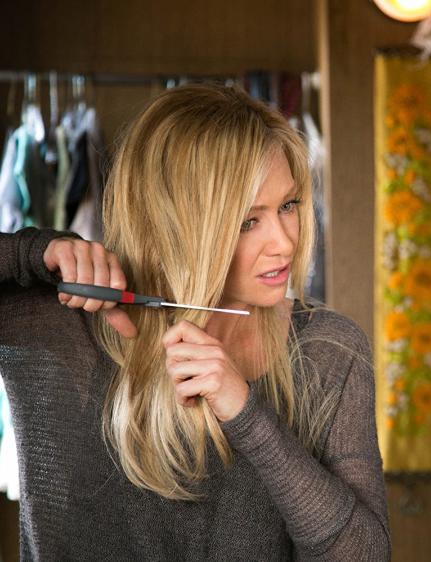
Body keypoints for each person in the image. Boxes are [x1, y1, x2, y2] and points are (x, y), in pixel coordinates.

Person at [0, 83, 390, 561]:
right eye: (248, 221)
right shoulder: (65, 327)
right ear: (177, 225)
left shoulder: (328, 348)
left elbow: (365, 554)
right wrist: (32, 252)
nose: (286, 243)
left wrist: (247, 415)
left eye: (287, 206)